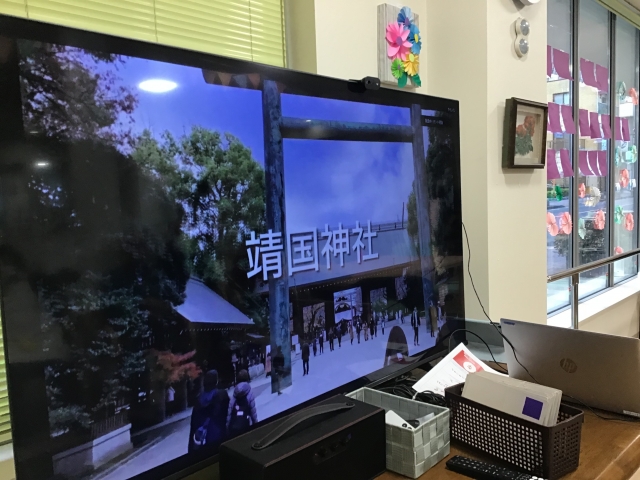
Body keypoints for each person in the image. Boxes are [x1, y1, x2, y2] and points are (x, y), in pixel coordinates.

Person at [188, 370, 229, 453]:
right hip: (219, 438)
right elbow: (227, 416)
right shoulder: (222, 395)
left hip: (201, 442)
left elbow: (193, 426)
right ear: (216, 381)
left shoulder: (198, 400)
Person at [226, 369, 258, 438]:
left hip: (234, 426)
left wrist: (227, 426)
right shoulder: (249, 392)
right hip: (245, 424)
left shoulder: (235, 393)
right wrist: (256, 424)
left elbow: (229, 411)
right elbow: (253, 411)